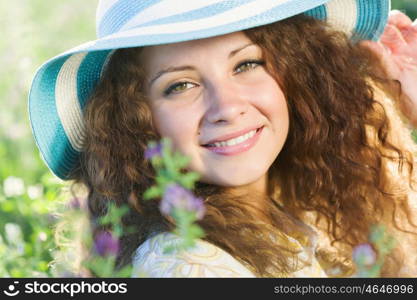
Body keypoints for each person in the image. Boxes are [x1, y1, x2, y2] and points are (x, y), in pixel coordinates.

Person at [29, 0, 417, 277]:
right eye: (180, 85)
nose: (227, 107)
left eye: (246, 64)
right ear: (135, 120)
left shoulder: (293, 213)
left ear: (296, 74)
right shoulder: (189, 265)